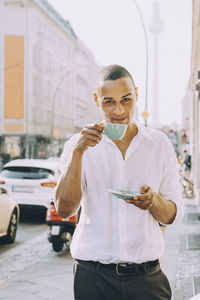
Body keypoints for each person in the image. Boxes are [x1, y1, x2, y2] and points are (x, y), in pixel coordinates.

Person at [54, 65, 184, 300]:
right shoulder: (77, 145)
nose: (119, 110)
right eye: (109, 102)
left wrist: (153, 202)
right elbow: (64, 210)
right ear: (96, 100)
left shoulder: (159, 144)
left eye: (126, 99)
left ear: (136, 94)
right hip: (93, 278)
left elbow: (172, 215)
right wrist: (78, 153)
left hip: (147, 279)